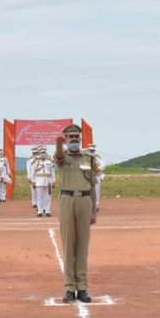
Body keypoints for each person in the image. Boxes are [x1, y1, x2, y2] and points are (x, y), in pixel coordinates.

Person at [55, 124, 101, 303]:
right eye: (70, 137)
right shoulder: (62, 156)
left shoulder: (88, 158)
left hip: (84, 200)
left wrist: (94, 210)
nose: (74, 140)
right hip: (67, 199)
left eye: (76, 137)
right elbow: (58, 158)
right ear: (66, 139)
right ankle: (69, 287)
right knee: (68, 245)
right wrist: (59, 145)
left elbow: (92, 184)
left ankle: (82, 287)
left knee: (82, 246)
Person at [31, 146, 55, 217]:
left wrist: (53, 181)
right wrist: (33, 181)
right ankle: (40, 211)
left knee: (48, 196)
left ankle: (47, 211)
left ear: (46, 153)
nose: (43, 154)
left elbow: (52, 172)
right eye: (41, 153)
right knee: (39, 197)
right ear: (39, 153)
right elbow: (33, 173)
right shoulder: (36, 163)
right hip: (39, 181)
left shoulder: (49, 162)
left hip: (48, 181)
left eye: (44, 153)